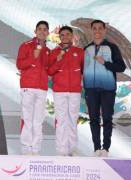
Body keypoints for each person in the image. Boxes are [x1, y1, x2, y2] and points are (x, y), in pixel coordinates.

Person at [83, 19, 126, 157]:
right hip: (91, 89)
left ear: (104, 30)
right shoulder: (86, 49)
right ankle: (96, 148)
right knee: (93, 119)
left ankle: (105, 148)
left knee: (107, 118)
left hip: (108, 89)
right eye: (94, 28)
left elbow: (121, 67)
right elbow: (82, 69)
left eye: (100, 28)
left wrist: (106, 63)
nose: (97, 31)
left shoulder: (112, 47)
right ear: (91, 30)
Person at [48, 26, 84, 156]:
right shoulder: (53, 52)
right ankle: (61, 150)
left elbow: (84, 70)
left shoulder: (80, 52)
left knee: (72, 119)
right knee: (61, 119)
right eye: (62, 35)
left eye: (67, 34)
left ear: (72, 36)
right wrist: (58, 60)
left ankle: (73, 148)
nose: (65, 37)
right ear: (59, 37)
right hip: (59, 91)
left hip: (74, 91)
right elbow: (50, 71)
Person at [16, 20, 50, 155]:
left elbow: (50, 69)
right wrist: (33, 57)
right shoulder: (26, 45)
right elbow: (19, 64)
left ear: (47, 33)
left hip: (42, 89)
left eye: (45, 29)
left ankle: (36, 149)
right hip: (28, 87)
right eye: (39, 29)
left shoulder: (48, 51)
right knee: (27, 118)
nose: (42, 31)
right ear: (35, 31)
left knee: (38, 120)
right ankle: (26, 148)